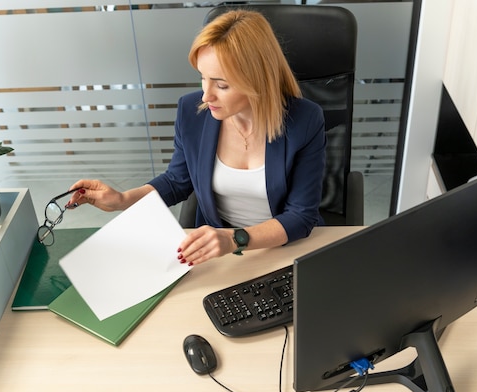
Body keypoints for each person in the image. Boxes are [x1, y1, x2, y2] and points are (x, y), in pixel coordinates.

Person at [66, 9, 326, 266]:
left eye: (221, 85)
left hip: (282, 247)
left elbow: (301, 216)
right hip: (216, 252)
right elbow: (177, 181)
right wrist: (123, 200)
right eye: (203, 78)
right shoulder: (192, 113)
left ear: (257, 81)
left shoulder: (304, 120)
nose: (206, 95)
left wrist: (235, 239)